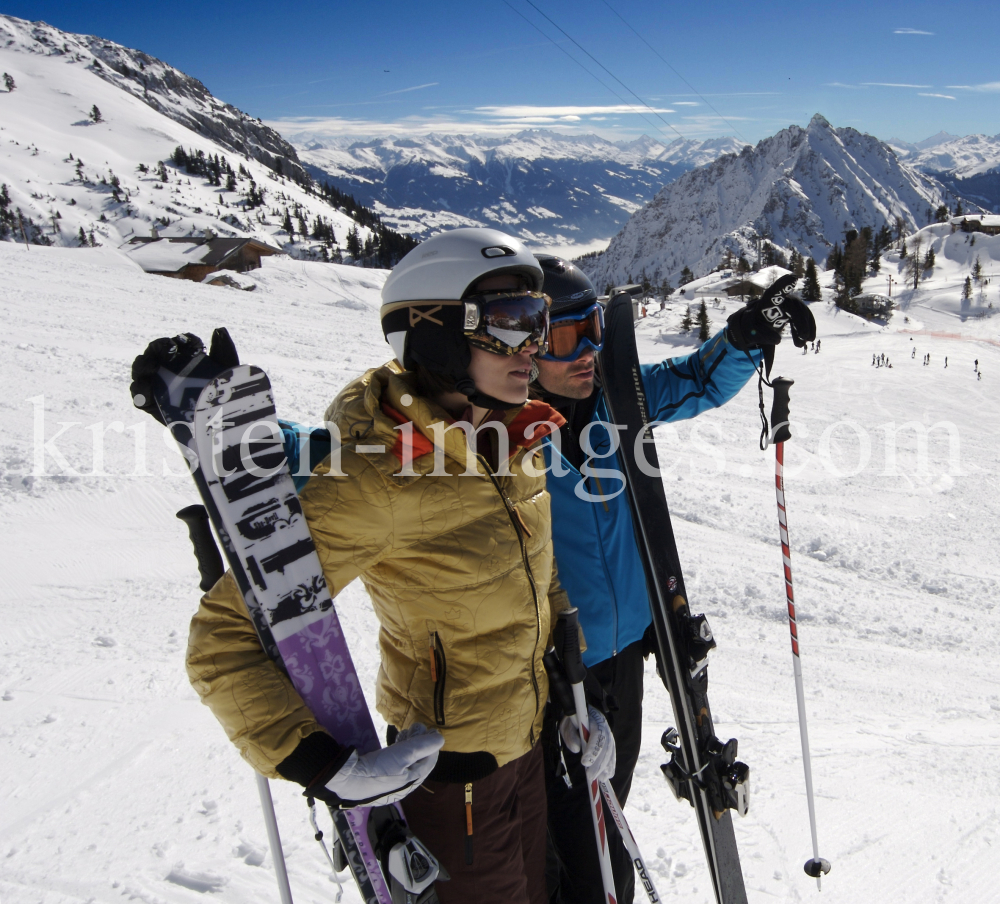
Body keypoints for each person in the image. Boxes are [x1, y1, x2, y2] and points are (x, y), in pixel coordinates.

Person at [182, 228, 617, 904]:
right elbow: (222, 643)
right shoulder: (379, 481)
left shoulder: (516, 439)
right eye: (511, 325)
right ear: (435, 333)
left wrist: (574, 692)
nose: (532, 348)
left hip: (530, 751)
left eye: (538, 326)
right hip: (454, 784)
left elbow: (540, 579)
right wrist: (324, 765)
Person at [529, 256, 815, 904]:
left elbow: (695, 380)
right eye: (567, 338)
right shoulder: (503, 439)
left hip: (627, 652)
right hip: (554, 672)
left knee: (608, 820)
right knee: (570, 844)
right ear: (526, 348)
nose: (588, 352)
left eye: (594, 328)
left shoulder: (618, 400)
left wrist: (749, 334)